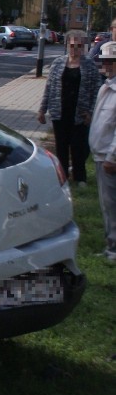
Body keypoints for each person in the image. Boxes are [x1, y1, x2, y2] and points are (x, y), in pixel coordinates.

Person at [37, 29, 100, 186]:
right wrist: (42, 110)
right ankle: (62, 176)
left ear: (84, 47)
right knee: (61, 146)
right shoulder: (58, 63)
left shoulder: (90, 65)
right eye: (73, 45)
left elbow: (96, 90)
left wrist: (91, 112)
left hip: (80, 113)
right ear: (67, 45)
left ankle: (80, 177)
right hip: (59, 111)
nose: (76, 49)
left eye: (80, 46)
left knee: (79, 147)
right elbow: (49, 87)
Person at [89, 41, 116, 263]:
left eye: (110, 61)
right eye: (105, 60)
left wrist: (112, 157)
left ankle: (114, 249)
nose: (106, 64)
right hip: (101, 155)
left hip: (110, 159)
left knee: (112, 204)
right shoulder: (107, 85)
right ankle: (111, 244)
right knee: (106, 205)